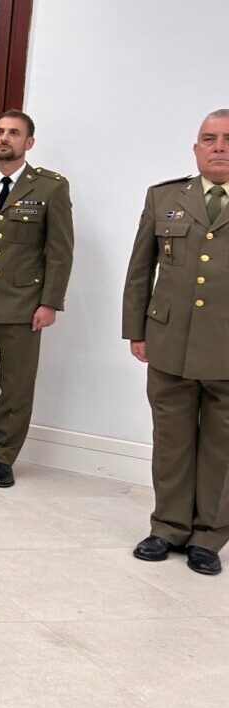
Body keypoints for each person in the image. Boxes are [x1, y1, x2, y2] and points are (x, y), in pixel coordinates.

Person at [124, 109, 229, 577]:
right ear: (195, 147)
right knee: (170, 441)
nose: (219, 147)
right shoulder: (165, 196)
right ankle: (167, 526)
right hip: (169, 341)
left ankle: (209, 535)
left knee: (221, 446)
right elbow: (140, 269)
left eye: (227, 139)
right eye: (209, 138)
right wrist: (137, 329)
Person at [0, 110, 74, 488]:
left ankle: (5, 456)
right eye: (0, 132)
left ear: (29, 142)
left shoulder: (50, 188)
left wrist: (50, 302)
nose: (4, 138)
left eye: (14, 133)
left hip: (24, 304)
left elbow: (59, 251)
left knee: (17, 385)